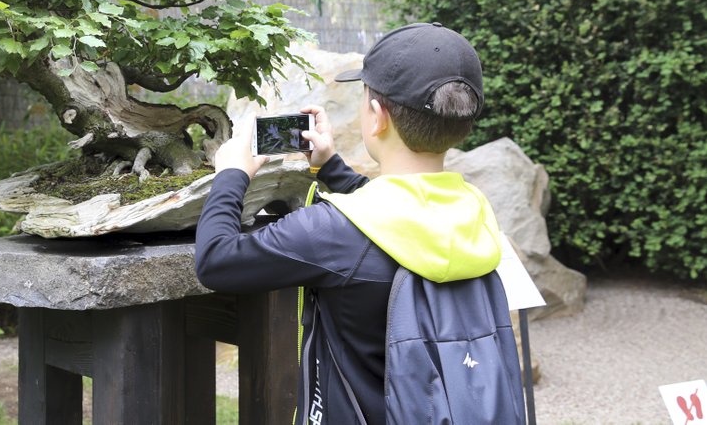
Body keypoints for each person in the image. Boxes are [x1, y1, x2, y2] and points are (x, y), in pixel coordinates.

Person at [195, 22, 510, 425]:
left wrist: (232, 173)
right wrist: (331, 167)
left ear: (376, 116)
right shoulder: (473, 213)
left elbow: (216, 260)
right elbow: (396, 217)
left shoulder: (331, 234)